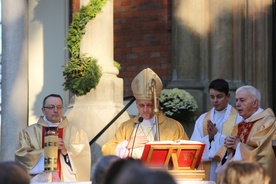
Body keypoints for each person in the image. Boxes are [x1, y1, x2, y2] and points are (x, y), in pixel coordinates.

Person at [102, 68, 189, 159]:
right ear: (136, 105)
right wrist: (126, 144)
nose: (145, 109)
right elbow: (106, 149)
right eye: (141, 105)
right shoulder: (126, 127)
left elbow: (186, 154)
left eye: (150, 105)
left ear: (157, 104)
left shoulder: (173, 126)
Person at [14, 94, 91, 182]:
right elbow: (21, 156)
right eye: (51, 107)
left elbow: (83, 157)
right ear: (43, 110)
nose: (55, 110)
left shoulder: (77, 132)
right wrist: (48, 150)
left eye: (59, 107)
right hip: (39, 179)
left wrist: (66, 152)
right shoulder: (28, 132)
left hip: (66, 179)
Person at [217, 85, 276, 184]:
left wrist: (238, 146)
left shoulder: (268, 123)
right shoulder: (239, 126)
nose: (238, 104)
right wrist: (229, 150)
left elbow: (265, 155)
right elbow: (225, 155)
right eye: (236, 100)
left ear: (255, 103)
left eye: (242, 100)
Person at [190, 79, 242, 182]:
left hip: (227, 168)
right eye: (212, 97)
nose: (215, 101)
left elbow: (239, 146)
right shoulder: (202, 119)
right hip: (206, 167)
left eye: (219, 96)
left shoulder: (238, 119)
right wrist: (209, 138)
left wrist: (217, 135)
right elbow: (194, 146)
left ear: (228, 96)